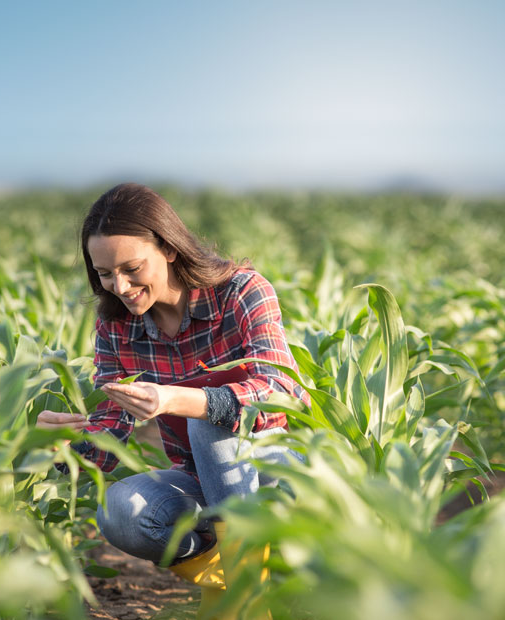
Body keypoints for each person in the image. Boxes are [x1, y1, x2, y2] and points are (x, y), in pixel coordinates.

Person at [36, 183, 309, 616]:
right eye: (105, 274)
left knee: (208, 418)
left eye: (131, 268)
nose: (120, 286)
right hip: (203, 481)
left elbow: (283, 392)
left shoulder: (240, 292)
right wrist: (53, 443)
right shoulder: (117, 329)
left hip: (277, 472)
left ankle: (241, 599)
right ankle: (237, 572)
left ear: (169, 248)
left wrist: (175, 399)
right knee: (121, 512)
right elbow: (110, 435)